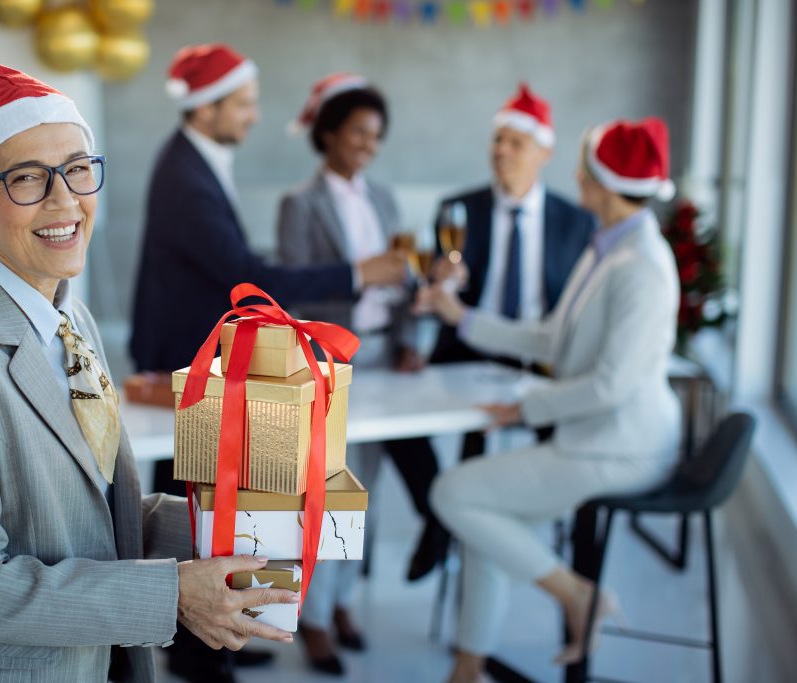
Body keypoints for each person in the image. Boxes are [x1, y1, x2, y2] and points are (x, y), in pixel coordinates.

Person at [0, 57, 299, 683]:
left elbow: (103, 516)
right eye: (27, 178)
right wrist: (172, 594)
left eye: (76, 170)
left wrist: (254, 528)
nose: (65, 200)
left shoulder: (73, 322)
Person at [128, 44, 406, 683]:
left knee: (209, 498)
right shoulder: (185, 171)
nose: (256, 116)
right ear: (211, 105)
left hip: (193, 358)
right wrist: (359, 272)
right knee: (198, 504)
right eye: (246, 104)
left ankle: (210, 637)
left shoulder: (194, 161)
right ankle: (197, 654)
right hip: (185, 363)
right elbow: (242, 274)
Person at [422, 117, 682, 683]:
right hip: (593, 439)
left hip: (622, 450)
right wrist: (461, 317)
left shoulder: (644, 268)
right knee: (484, 515)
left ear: (606, 183)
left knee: (454, 493)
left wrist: (524, 410)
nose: (574, 178)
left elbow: (612, 384)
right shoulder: (607, 249)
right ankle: (468, 667)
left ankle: (576, 595)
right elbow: (550, 337)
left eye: (585, 171)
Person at [275, 73, 442, 675]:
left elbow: (403, 285)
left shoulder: (386, 200)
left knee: (362, 498)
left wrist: (408, 341)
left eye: (377, 136)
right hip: (332, 362)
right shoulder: (300, 202)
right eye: (359, 134)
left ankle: (342, 603)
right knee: (328, 498)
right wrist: (358, 274)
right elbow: (293, 289)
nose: (369, 145)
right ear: (329, 135)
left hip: (383, 363)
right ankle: (313, 618)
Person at [404, 84, 597, 583]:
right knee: (401, 424)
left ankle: (556, 548)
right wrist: (439, 285)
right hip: (464, 350)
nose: (501, 152)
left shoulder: (575, 222)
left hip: (539, 360)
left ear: (545, 152)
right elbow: (430, 288)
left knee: (572, 435)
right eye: (496, 141)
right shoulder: (459, 209)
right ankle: (437, 515)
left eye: (515, 142)